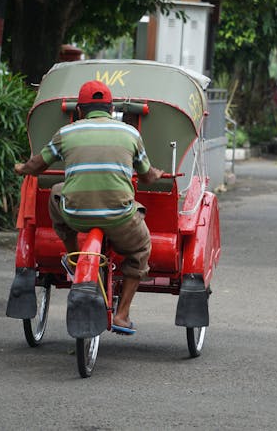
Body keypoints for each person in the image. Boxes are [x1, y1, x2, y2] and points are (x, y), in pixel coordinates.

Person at [14, 80, 164, 335]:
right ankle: (123, 315)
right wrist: (157, 173)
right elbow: (147, 176)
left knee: (56, 193)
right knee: (141, 248)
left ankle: (74, 256)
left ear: (80, 110)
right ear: (111, 108)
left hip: (76, 215)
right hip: (119, 218)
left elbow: (37, 165)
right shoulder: (130, 133)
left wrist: (21, 168)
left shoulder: (67, 132)